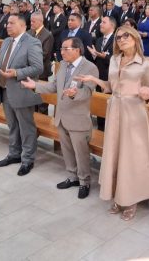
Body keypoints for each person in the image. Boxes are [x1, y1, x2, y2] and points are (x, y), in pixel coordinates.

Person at [76, 25, 149, 221]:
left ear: (135, 38)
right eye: (118, 37)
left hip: (134, 113)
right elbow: (110, 86)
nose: (121, 39)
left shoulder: (146, 64)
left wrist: (147, 93)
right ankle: (118, 196)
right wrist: (94, 79)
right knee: (115, 154)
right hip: (115, 110)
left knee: (131, 157)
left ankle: (131, 199)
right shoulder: (114, 60)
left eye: (126, 35)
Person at [21, 37, 99, 199]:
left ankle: (84, 182)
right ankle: (72, 176)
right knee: (67, 150)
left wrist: (75, 93)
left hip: (78, 118)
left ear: (77, 50)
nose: (61, 52)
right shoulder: (63, 65)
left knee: (81, 153)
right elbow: (54, 86)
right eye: (61, 49)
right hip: (61, 116)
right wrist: (35, 86)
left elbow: (87, 92)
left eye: (65, 49)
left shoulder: (90, 67)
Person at [0, 14, 43, 176]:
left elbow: (38, 67)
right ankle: (14, 154)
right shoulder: (6, 42)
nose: (7, 26)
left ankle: (27, 159)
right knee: (12, 125)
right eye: (7, 23)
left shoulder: (32, 42)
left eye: (12, 23)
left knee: (26, 127)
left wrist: (17, 73)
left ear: (23, 25)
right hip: (5, 89)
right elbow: (3, 63)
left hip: (22, 90)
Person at [28, 12, 54, 81]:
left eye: (33, 21)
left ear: (40, 21)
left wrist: (27, 59)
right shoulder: (29, 32)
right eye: (31, 21)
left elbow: (44, 54)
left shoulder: (48, 35)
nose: (31, 23)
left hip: (41, 71)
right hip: (28, 69)